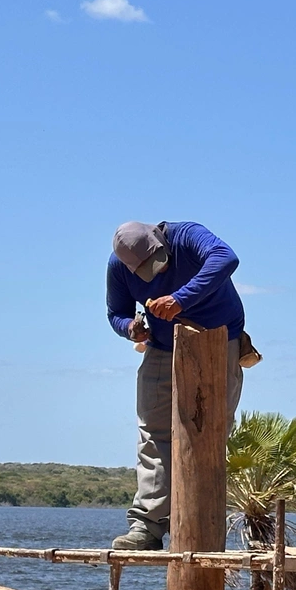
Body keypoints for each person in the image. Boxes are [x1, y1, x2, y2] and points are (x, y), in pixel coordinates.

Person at [106, 220, 248, 550]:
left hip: (219, 339)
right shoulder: (118, 268)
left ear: (160, 239)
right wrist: (132, 328)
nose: (154, 275)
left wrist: (179, 300)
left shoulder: (186, 235)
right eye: (144, 271)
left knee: (210, 430)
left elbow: (226, 258)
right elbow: (116, 313)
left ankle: (200, 525)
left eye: (157, 264)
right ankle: (148, 526)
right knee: (153, 432)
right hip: (161, 344)